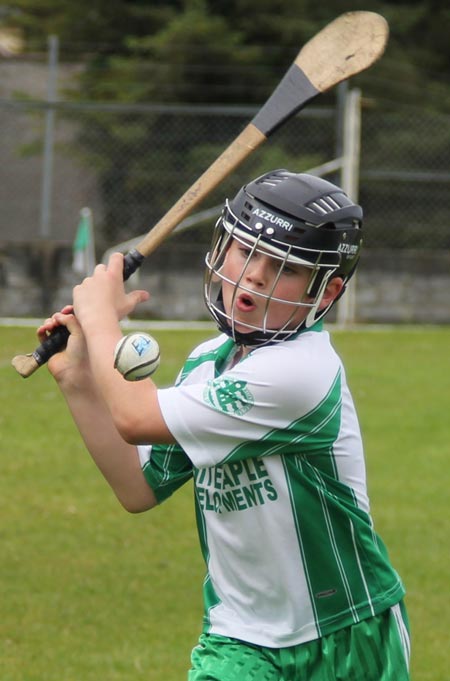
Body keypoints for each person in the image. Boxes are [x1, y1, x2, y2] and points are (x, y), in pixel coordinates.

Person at [38, 170, 411, 680]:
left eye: (284, 266)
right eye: (244, 251)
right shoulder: (207, 363)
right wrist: (78, 379)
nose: (255, 275)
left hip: (346, 633)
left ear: (326, 293)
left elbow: (135, 415)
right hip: (238, 637)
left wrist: (101, 318)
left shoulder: (303, 372)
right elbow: (138, 486)